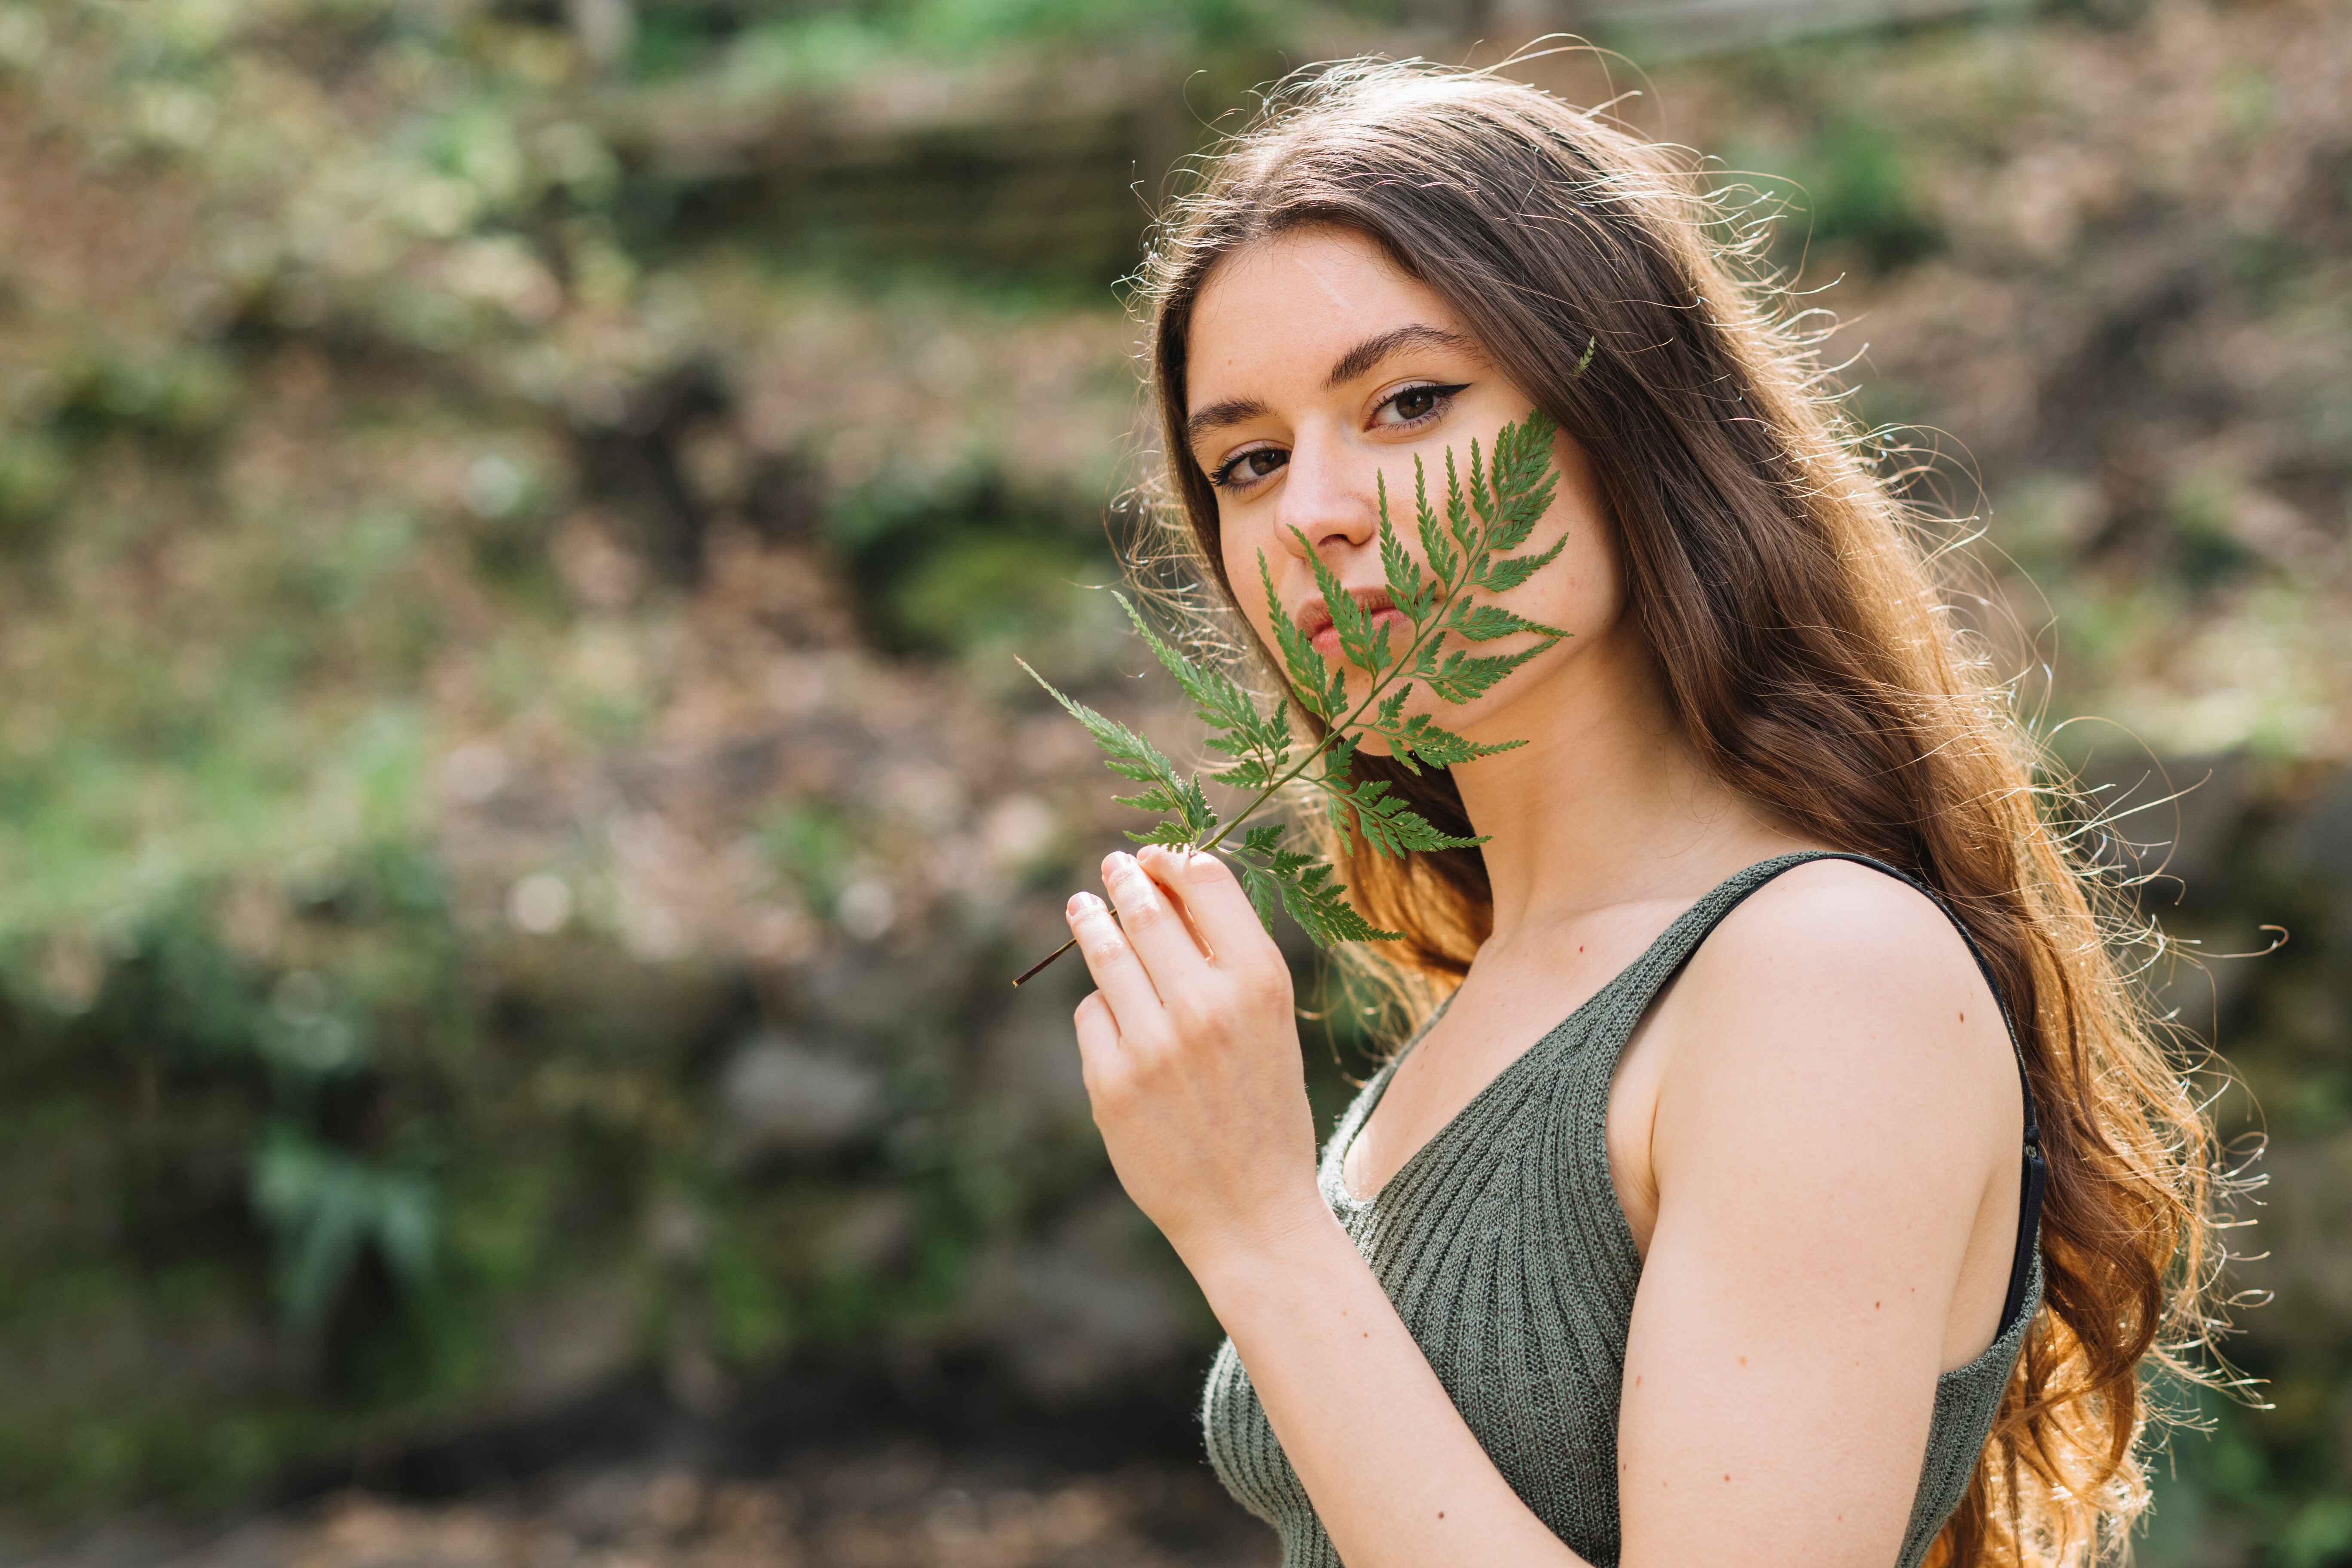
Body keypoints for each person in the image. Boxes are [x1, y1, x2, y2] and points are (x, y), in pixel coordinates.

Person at [1055, 53, 2225, 1568]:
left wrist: (1262, 1236)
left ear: (1640, 419)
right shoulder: (1477, 998)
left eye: (1410, 402)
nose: (1317, 510)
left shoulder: (1828, 978)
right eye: (1251, 461)